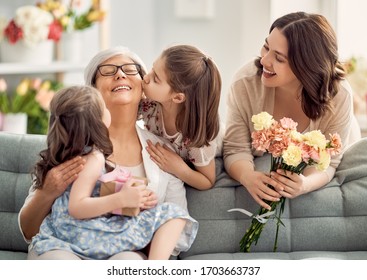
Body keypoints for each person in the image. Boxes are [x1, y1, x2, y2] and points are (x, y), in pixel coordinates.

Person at [19, 47, 198, 260]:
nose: (120, 74)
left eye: (130, 70)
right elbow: (29, 231)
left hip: (125, 249)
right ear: (92, 90)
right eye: (108, 70)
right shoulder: (72, 143)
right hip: (62, 246)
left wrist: (131, 231)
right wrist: (47, 191)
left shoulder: (163, 152)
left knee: (128, 261)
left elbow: (174, 226)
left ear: (144, 86)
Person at [223, 12, 361, 211]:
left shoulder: (339, 96)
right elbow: (235, 148)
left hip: (347, 136)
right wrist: (248, 177)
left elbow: (330, 163)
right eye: (266, 47)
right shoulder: (245, 84)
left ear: (306, 66)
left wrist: (305, 184)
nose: (264, 60)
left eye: (278, 58)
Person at [140, 44, 222, 190]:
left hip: (214, 151)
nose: (146, 77)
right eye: (152, 69)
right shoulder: (150, 104)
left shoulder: (197, 139)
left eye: (156, 79)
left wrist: (178, 168)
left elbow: (207, 181)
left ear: (177, 97)